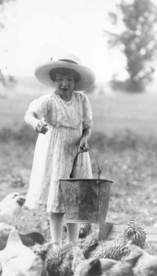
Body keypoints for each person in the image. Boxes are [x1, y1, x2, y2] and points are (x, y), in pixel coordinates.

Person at [24, 54, 96, 249]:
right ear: (55, 80)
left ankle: (73, 244)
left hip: (77, 154)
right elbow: (29, 114)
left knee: (75, 198)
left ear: (75, 81)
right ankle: (56, 244)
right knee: (57, 198)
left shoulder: (81, 100)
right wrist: (36, 123)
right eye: (61, 79)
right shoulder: (49, 100)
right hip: (55, 153)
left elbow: (87, 127)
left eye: (70, 79)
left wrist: (83, 139)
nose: (65, 83)